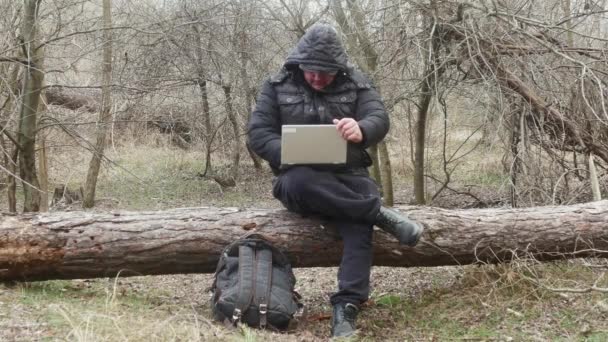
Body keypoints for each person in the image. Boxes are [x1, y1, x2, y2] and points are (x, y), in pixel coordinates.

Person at [247, 24, 423, 338]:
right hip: (298, 179)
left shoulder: (357, 83)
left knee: (357, 226)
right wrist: (292, 150)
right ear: (299, 63)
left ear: (338, 69)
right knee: (301, 182)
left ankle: (347, 308)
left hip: (350, 177)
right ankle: (377, 213)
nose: (316, 78)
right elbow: (258, 134)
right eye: (311, 71)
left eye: (325, 74)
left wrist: (362, 129)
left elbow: (378, 118)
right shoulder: (275, 85)